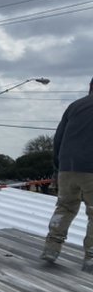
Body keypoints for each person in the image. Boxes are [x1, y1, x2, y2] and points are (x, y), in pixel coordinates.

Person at [41, 77, 93, 272]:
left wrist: (58, 168)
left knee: (64, 208)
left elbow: (58, 138)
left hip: (67, 168)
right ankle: (91, 258)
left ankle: (51, 249)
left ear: (90, 87)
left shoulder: (74, 106)